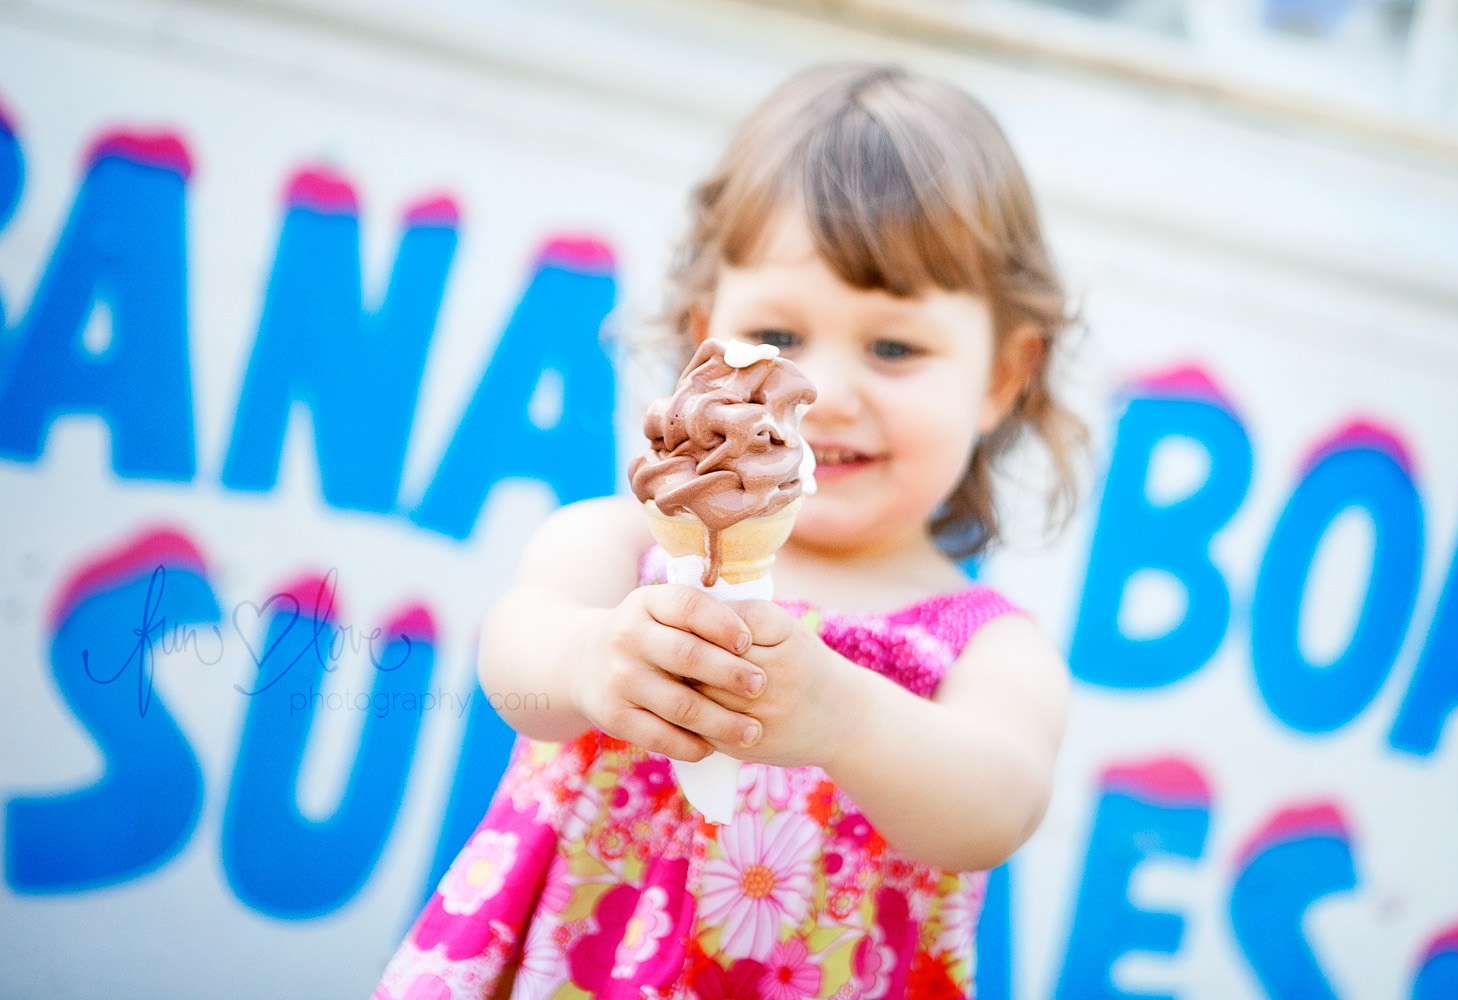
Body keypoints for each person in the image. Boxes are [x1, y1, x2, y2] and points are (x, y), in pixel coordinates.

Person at [371, 61, 1086, 1000]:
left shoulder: (984, 644)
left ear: (1003, 374)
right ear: (708, 336)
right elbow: (517, 651)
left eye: (895, 347)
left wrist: (843, 717)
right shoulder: (624, 546)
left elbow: (999, 802)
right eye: (778, 340)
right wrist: (592, 657)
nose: (821, 396)